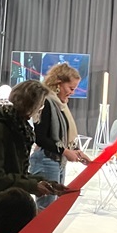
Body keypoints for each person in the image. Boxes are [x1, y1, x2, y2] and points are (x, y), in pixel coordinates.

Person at [0, 80, 66, 230]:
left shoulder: (18, 126)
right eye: (41, 104)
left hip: (9, 205)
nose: (41, 109)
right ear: (31, 105)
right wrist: (33, 185)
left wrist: (47, 183)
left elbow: (17, 171)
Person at [29, 63, 91, 211]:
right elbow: (40, 138)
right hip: (46, 161)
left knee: (52, 208)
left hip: (56, 161)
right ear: (58, 83)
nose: (72, 92)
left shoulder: (60, 104)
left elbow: (64, 135)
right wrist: (65, 151)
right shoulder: (46, 102)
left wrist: (76, 151)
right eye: (71, 88)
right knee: (46, 209)